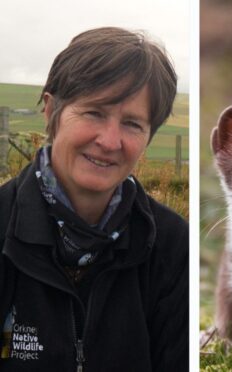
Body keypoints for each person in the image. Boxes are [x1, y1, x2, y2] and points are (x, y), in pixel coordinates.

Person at [0, 27, 188, 371]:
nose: (110, 141)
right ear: (51, 111)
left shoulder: (175, 247)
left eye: (133, 124)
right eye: (94, 113)